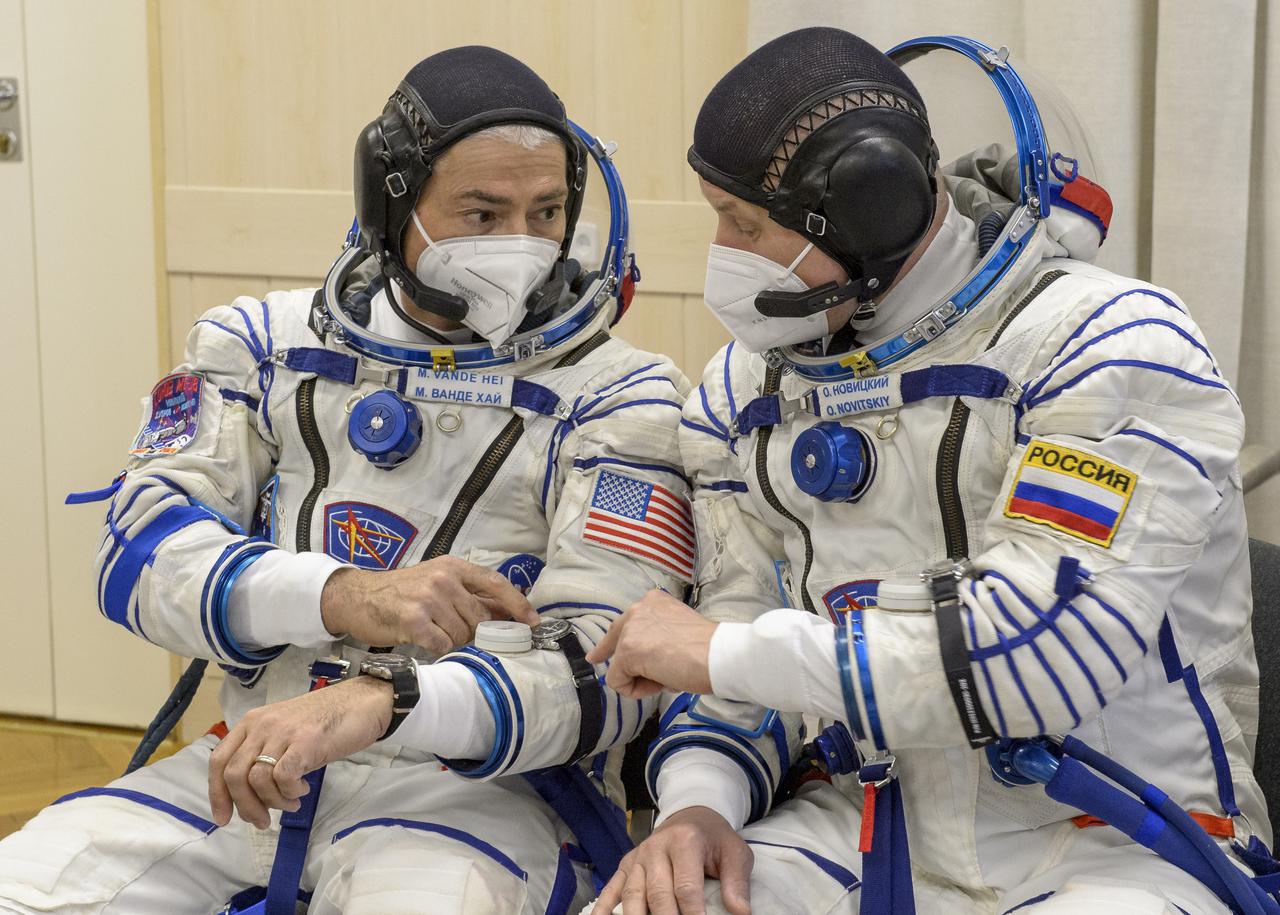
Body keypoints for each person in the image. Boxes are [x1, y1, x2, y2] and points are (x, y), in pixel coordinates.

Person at [0, 46, 695, 915]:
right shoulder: (261, 345)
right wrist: (337, 595)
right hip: (255, 759)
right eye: (481, 213)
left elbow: (609, 669)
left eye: (546, 210)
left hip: (478, 793)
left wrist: (392, 701)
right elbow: (137, 555)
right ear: (391, 203)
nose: (520, 243)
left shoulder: (621, 392)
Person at [588, 27, 1267, 915]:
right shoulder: (743, 389)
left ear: (871, 206)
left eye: (746, 223)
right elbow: (737, 635)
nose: (723, 250)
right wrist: (697, 804)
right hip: (871, 824)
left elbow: (1041, 655)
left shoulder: (1110, 345)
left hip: (1111, 843)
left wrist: (716, 651)